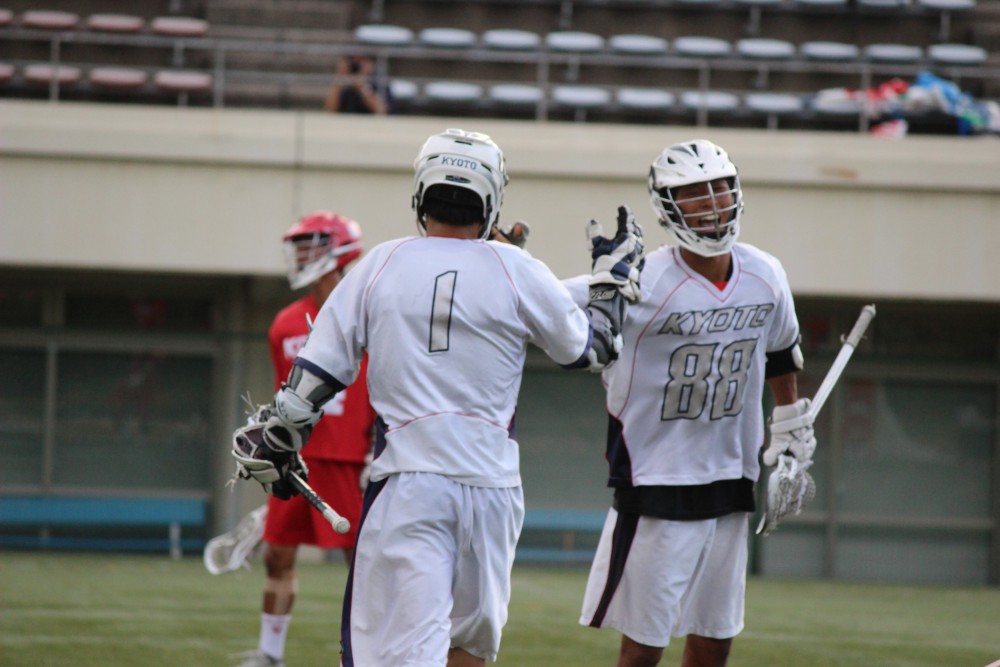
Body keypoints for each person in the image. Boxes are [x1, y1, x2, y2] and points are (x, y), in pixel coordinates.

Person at [230, 128, 644, 666]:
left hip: (410, 485)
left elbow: (314, 375)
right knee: (469, 645)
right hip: (493, 490)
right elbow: (595, 350)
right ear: (491, 199)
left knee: (396, 654)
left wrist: (281, 437)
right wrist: (610, 284)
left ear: (421, 192)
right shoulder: (517, 268)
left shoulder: (380, 263)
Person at [569, 139, 815, 667]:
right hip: (656, 479)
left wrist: (790, 428)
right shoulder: (641, 279)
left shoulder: (765, 273)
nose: (712, 202)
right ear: (667, 205)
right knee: (643, 648)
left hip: (731, 476)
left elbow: (780, 352)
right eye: (694, 193)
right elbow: (543, 308)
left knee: (714, 639)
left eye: (719, 188)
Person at [232, 211, 377, 667]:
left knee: (366, 567)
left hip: (351, 458)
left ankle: (373, 655)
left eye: (311, 244)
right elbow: (283, 400)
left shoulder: (370, 311)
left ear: (339, 250)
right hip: (298, 458)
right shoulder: (285, 324)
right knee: (277, 557)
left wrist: (380, 449)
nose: (301, 254)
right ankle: (269, 654)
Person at [323, 54, 392, 115]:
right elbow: (330, 110)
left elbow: (382, 111)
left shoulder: (379, 83)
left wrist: (363, 88)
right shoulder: (344, 84)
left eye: (362, 60)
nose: (357, 65)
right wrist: (339, 78)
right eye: (354, 61)